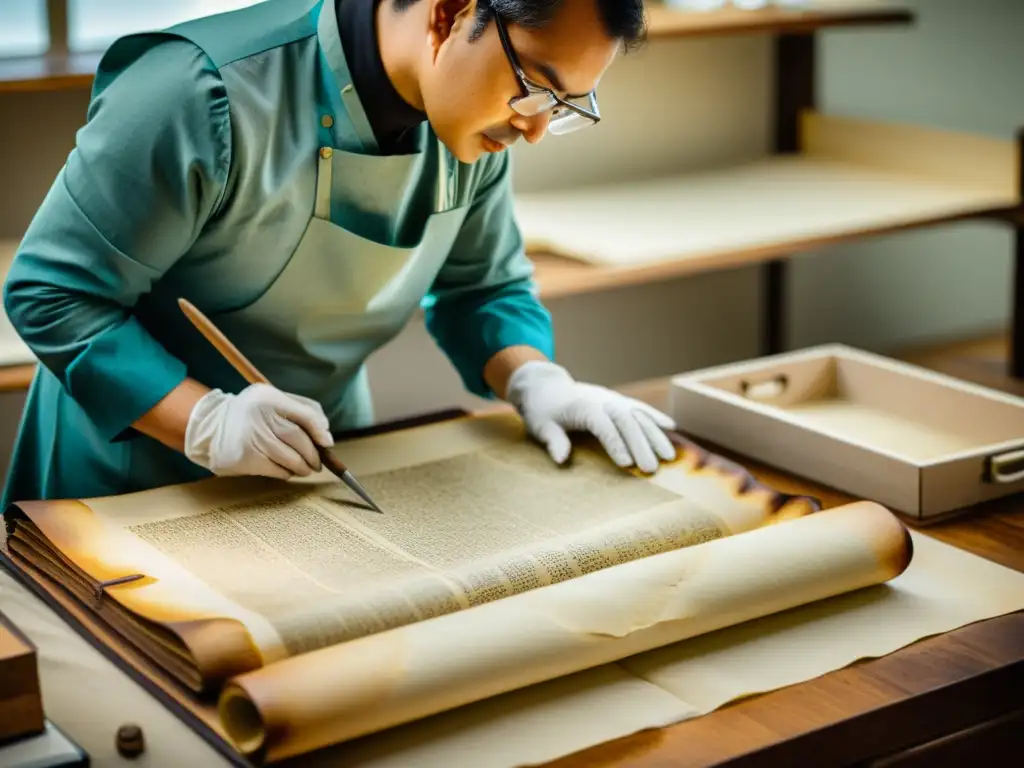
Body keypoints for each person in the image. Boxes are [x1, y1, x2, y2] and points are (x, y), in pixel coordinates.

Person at [1, 0, 678, 510]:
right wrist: (208, 423)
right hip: (131, 472)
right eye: (534, 84)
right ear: (449, 13)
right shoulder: (200, 90)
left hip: (320, 457)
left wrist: (538, 382)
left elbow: (483, 290)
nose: (534, 128)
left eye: (565, 104)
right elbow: (53, 293)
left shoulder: (473, 127)